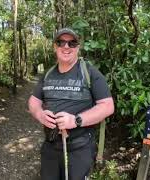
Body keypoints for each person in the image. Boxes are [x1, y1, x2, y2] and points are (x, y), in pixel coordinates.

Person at [28, 28, 114, 180]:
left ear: (78, 48)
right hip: (51, 147)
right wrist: (39, 114)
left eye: (72, 43)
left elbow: (107, 106)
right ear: (55, 46)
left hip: (79, 149)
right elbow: (33, 101)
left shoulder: (89, 72)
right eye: (61, 42)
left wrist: (76, 120)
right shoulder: (48, 74)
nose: (66, 46)